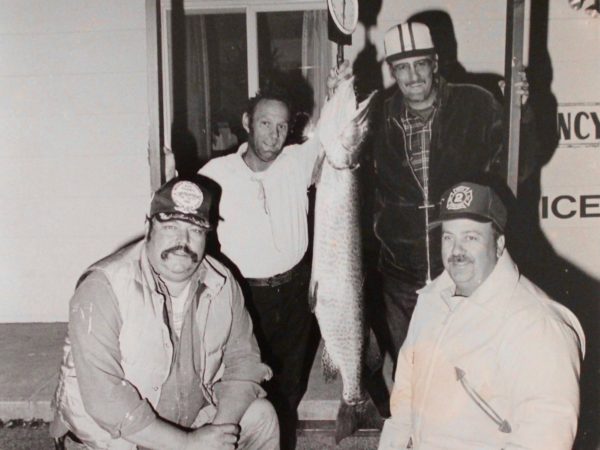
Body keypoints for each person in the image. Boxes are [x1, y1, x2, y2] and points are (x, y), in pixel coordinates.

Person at [50, 176, 278, 450]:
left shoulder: (223, 282)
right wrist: (186, 443)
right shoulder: (104, 286)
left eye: (195, 229)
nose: (182, 241)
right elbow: (104, 397)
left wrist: (218, 434)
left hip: (189, 424)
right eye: (170, 226)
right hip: (115, 437)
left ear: (208, 234)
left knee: (261, 416)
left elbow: (244, 360)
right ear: (149, 226)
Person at [199, 65, 351, 449]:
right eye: (265, 124)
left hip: (298, 290)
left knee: (292, 380)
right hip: (247, 296)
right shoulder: (215, 173)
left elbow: (335, 136)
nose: (274, 134)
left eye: (282, 126)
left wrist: (338, 91)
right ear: (248, 122)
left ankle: (279, 441)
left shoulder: (298, 161)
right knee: (250, 378)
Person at [372, 21, 539, 358]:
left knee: (469, 367)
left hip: (467, 268)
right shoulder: (377, 116)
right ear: (392, 71)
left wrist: (522, 116)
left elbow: (518, 168)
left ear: (435, 63)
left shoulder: (476, 103)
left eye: (420, 63)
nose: (413, 76)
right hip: (402, 276)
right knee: (413, 369)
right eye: (402, 67)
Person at [378, 182, 585, 450]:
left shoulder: (538, 325)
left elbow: (543, 439)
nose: (456, 250)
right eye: (448, 236)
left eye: (471, 237)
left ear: (499, 244)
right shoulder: (432, 300)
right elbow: (405, 400)